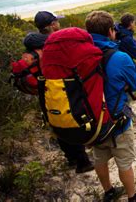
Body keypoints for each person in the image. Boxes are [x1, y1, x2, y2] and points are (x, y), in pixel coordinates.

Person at [85, 11, 136, 202]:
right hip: (116, 120)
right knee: (124, 161)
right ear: (111, 31)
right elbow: (134, 84)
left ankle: (109, 191)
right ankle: (132, 196)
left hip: (92, 120)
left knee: (99, 158)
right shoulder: (120, 57)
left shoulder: (81, 58)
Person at [34, 11, 95, 174]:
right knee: (71, 118)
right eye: (56, 22)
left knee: (56, 120)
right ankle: (83, 162)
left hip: (45, 89)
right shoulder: (54, 43)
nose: (58, 24)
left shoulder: (35, 43)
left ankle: (71, 158)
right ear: (52, 25)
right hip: (62, 86)